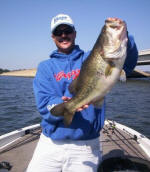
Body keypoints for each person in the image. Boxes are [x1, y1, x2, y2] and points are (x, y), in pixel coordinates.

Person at [27, 14, 138, 172]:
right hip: (50, 144)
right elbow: (44, 103)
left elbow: (128, 63)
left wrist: (123, 34)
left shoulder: (90, 57)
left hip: (86, 145)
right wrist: (62, 105)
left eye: (68, 30)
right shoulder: (45, 67)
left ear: (75, 33)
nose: (64, 35)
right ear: (53, 37)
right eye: (59, 32)